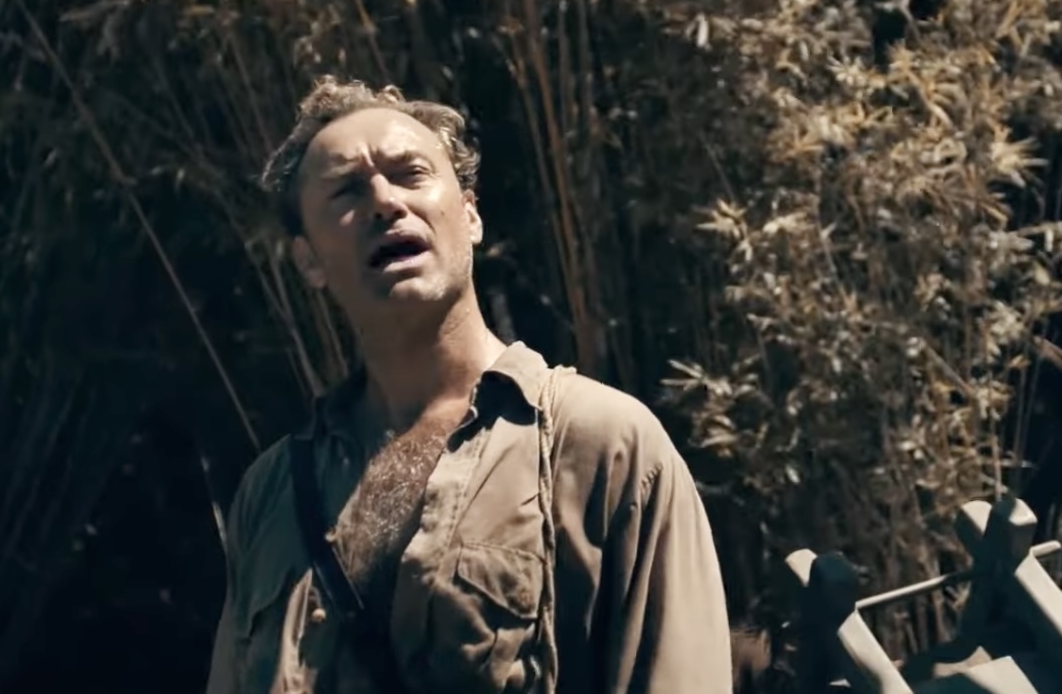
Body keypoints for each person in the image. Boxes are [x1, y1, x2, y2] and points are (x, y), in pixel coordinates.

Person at [205, 76, 734, 694]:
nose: (384, 202)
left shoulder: (600, 444)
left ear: (472, 214)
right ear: (308, 260)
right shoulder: (268, 495)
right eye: (347, 189)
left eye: (410, 174)